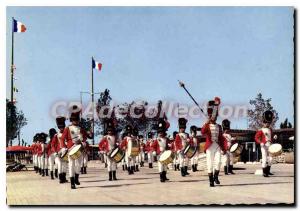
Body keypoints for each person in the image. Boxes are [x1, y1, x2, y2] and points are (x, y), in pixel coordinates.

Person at [60, 105, 93, 189]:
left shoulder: (81, 128)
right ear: (71, 120)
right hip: (71, 149)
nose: (75, 121)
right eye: (74, 119)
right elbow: (62, 139)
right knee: (71, 165)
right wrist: (63, 148)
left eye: (77, 119)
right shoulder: (67, 128)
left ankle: (76, 178)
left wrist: (89, 134)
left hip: (79, 148)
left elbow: (87, 137)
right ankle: (72, 183)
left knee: (78, 165)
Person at [201, 97, 227, 187]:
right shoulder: (207, 125)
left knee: (219, 162)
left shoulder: (219, 126)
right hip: (209, 147)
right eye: (213, 116)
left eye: (216, 116)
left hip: (217, 146)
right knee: (210, 163)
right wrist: (206, 123)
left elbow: (221, 138)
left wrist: (224, 148)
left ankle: (216, 176)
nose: (214, 117)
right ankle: (211, 180)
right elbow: (203, 132)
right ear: (210, 116)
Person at [255, 110, 276, 177]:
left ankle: (268, 171)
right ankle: (264, 172)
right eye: (266, 123)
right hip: (263, 146)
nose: (268, 124)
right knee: (264, 158)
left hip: (270, 145)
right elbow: (256, 138)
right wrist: (260, 142)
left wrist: (274, 137)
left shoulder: (270, 130)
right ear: (263, 123)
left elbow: (271, 137)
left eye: (269, 123)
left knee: (271, 158)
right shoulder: (261, 130)